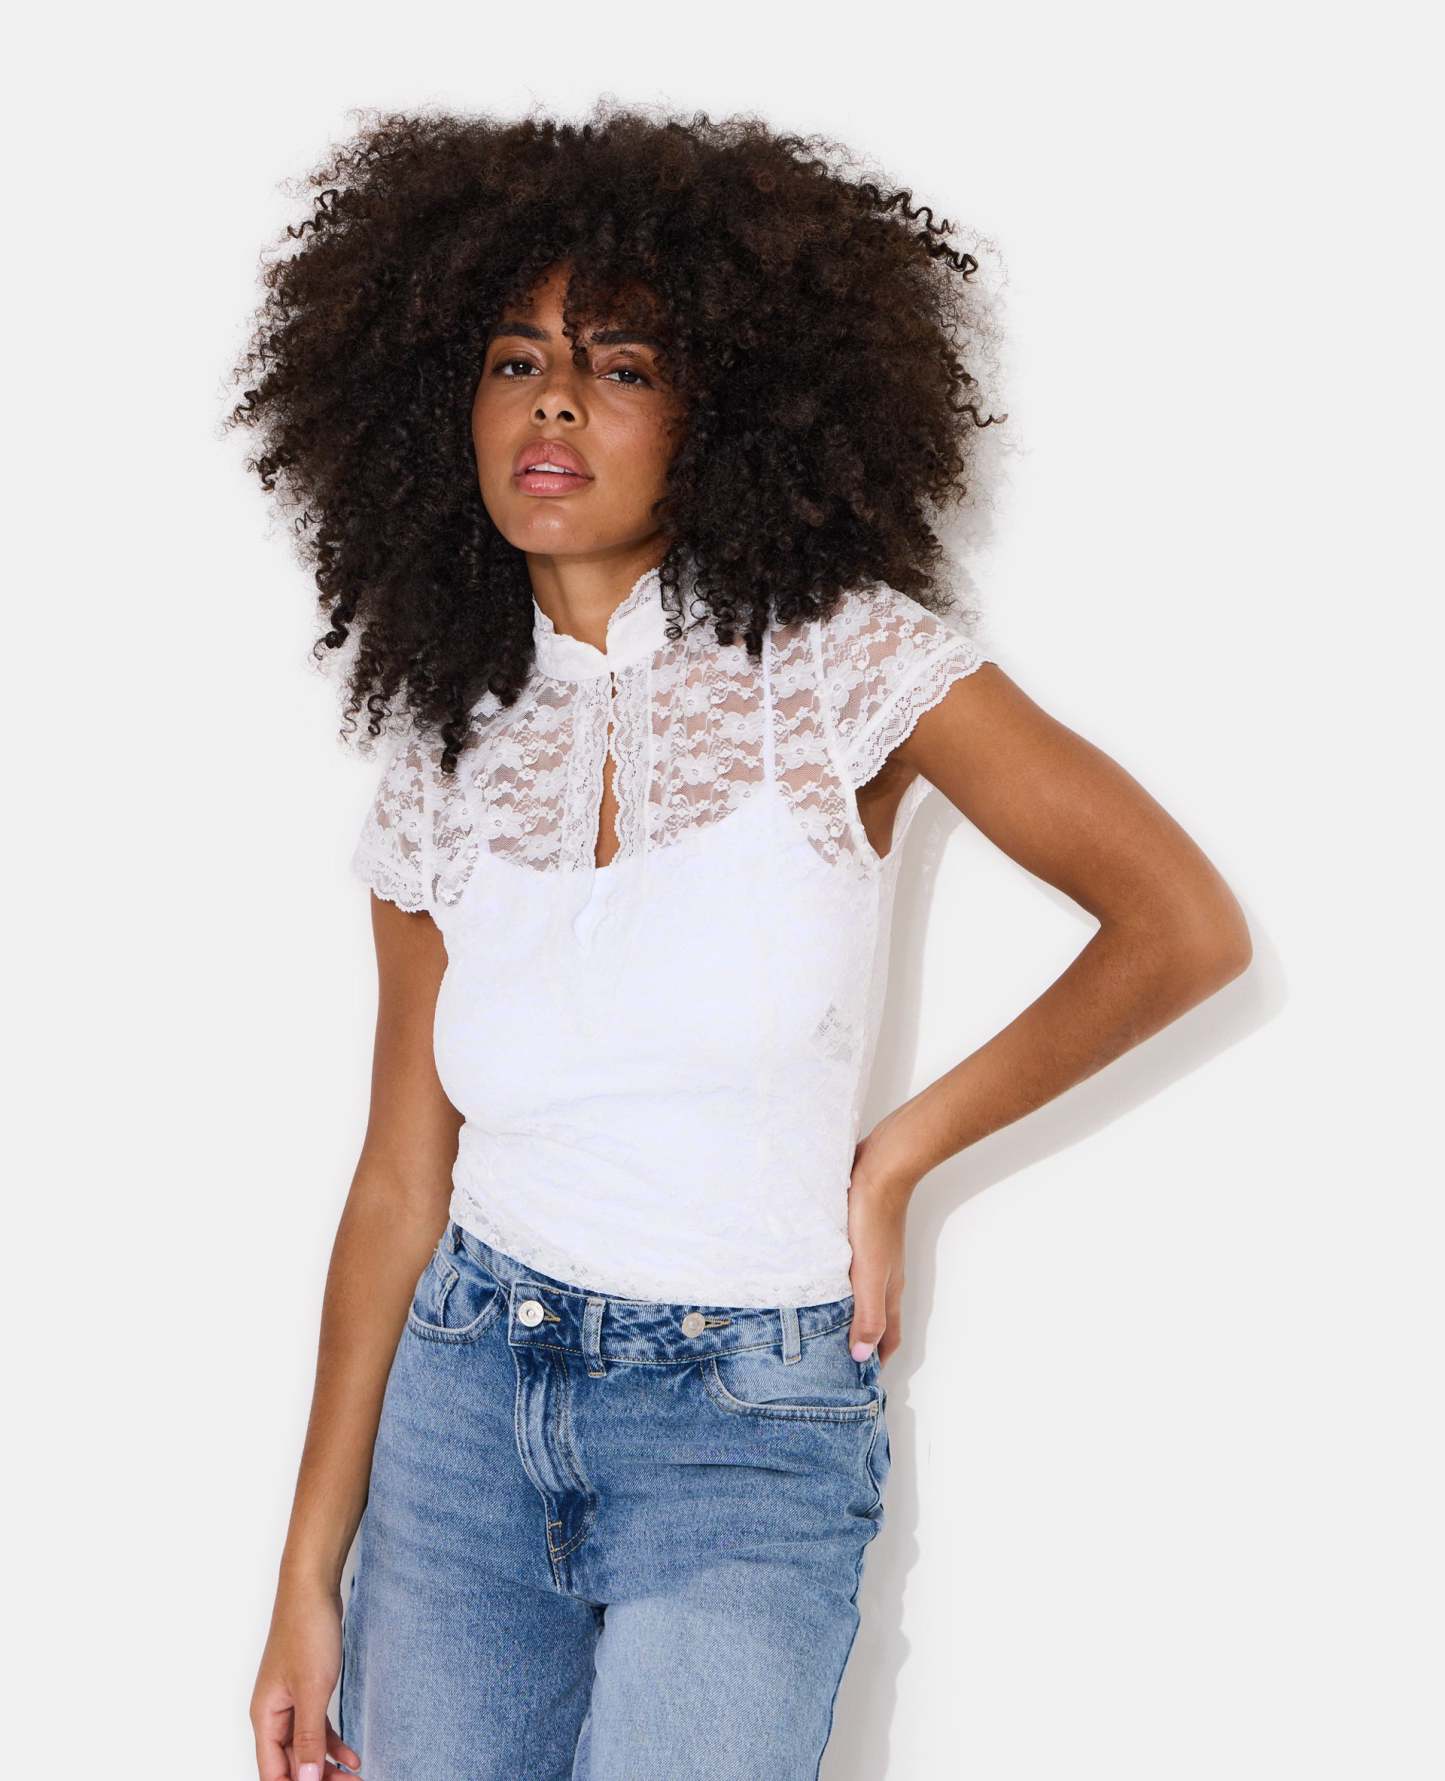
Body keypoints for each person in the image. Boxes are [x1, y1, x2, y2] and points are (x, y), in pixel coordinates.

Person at [228, 103, 1252, 1781]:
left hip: (743, 1433)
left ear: (724, 416)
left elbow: (1177, 923)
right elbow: (400, 1179)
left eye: (620, 366)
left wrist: (896, 1156)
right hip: (464, 1411)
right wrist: (302, 1576)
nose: (554, 401)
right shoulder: (444, 746)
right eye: (513, 360)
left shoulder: (845, 664)